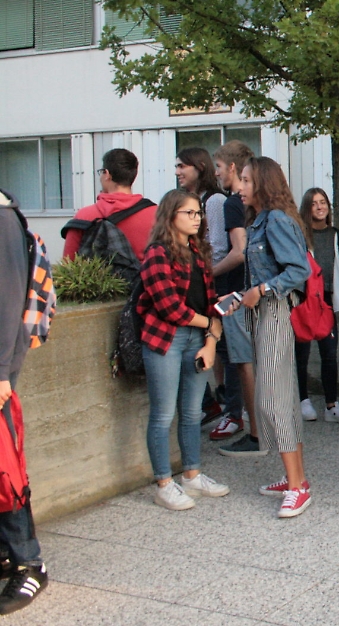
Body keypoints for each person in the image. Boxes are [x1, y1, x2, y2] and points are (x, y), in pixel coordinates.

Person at [137, 189, 231, 511]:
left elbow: (209, 300)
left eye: (198, 213)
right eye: (189, 213)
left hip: (197, 338)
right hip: (166, 338)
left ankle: (192, 475)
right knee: (163, 414)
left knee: (192, 413)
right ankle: (164, 484)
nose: (196, 218)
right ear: (170, 215)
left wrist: (211, 339)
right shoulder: (157, 253)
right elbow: (169, 307)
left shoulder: (197, 251)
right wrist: (210, 325)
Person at [236, 157, 314, 518]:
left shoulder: (277, 220)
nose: (240, 187)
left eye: (247, 180)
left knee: (272, 397)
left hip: (275, 312)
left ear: (263, 183)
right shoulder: (261, 220)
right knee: (279, 395)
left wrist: (263, 289)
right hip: (264, 312)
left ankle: (298, 486)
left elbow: (298, 270)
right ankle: (295, 478)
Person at [0, 189, 48, 614]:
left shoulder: (1, 219)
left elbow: (7, 299)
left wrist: (0, 371)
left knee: (6, 469)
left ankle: (28, 562)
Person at [210, 141, 262, 451]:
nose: (216, 174)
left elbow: (239, 251)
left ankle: (251, 430)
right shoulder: (260, 205)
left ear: (232, 167)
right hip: (257, 291)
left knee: (240, 361)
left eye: (218, 167)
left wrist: (210, 273)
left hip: (235, 292)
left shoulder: (232, 203)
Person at [175, 147, 228, 422]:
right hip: (199, 281)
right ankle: (211, 403)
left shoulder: (215, 200)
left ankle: (223, 404)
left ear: (200, 167)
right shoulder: (190, 199)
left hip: (211, 283)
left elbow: (218, 246)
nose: (177, 172)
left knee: (217, 346)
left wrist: (203, 273)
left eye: (182, 166)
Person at [295, 188, 339, 423]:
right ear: (306, 208)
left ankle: (332, 405)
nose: (320, 207)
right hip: (304, 300)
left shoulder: (337, 235)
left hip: (327, 301)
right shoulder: (300, 235)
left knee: (329, 353)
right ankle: (302, 400)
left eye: (323, 202)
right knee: (302, 354)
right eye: (314, 203)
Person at [63, 148, 156, 262]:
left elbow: (68, 263)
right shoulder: (156, 214)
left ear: (107, 174)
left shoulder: (84, 216)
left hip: (97, 274)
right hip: (143, 274)